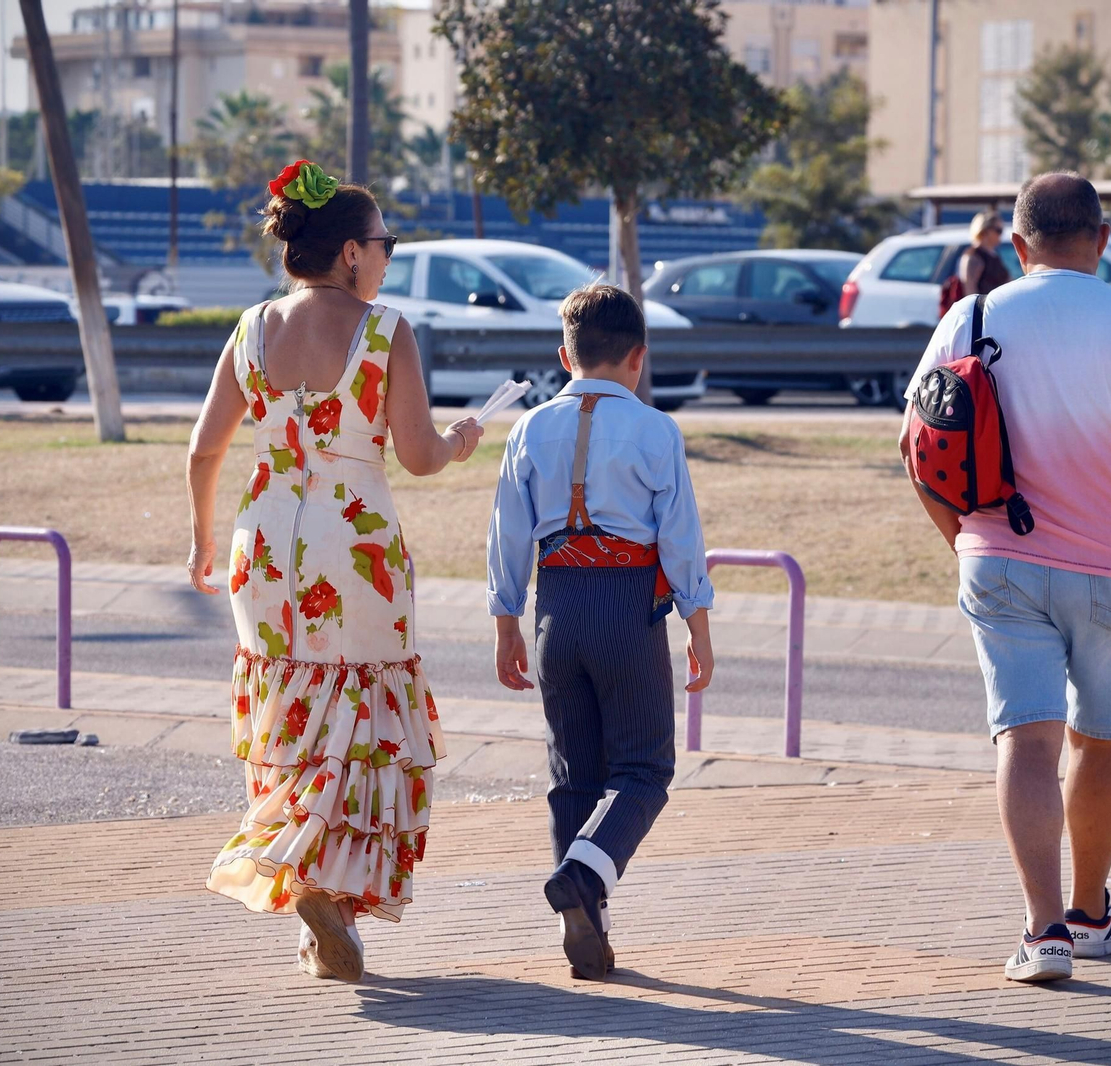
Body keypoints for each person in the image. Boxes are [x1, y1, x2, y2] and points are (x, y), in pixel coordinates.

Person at [900, 172, 1111, 983]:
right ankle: (1091, 914)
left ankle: (1043, 932)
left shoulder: (971, 314)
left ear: (1018, 246)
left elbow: (915, 448)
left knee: (1026, 735)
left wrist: (962, 543)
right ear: (1104, 239)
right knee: (1103, 739)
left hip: (1000, 558)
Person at [186, 160, 484, 982]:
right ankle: (321, 881)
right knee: (360, 711)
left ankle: (313, 908)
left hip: (263, 542)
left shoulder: (250, 329)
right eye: (384, 241)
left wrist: (201, 542)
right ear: (351, 252)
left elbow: (203, 448)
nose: (388, 255)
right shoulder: (384, 330)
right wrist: (462, 440)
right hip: (353, 542)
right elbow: (418, 456)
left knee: (292, 711)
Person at [487, 284, 715, 982]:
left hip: (555, 605)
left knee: (572, 775)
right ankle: (586, 875)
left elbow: (506, 536)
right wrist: (697, 625)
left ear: (564, 356)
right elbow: (680, 539)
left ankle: (584, 919)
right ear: (638, 360)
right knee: (644, 768)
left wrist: (506, 625)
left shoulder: (528, 429)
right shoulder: (655, 430)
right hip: (626, 604)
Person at [959, 211, 1011, 296]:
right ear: (986, 231)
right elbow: (970, 290)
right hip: (984, 307)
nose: (1000, 235)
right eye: (998, 230)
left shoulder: (994, 255)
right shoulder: (973, 256)